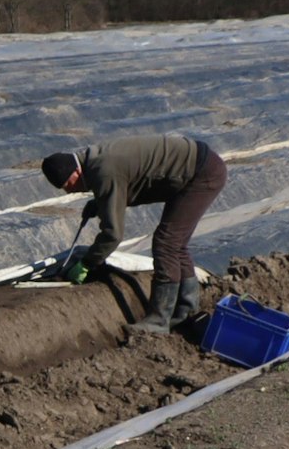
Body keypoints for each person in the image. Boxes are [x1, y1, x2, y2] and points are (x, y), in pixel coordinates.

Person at [41, 133, 228, 334]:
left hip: (201, 173)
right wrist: (101, 202)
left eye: (68, 185)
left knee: (166, 243)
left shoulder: (103, 171)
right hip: (196, 167)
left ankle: (158, 321)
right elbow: (133, 181)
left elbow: (113, 234)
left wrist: (88, 262)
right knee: (176, 244)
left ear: (75, 171)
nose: (70, 192)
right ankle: (186, 312)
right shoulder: (96, 159)